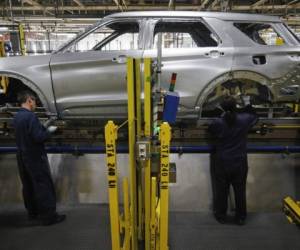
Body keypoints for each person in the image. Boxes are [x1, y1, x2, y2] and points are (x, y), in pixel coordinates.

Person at [13, 90, 66, 226]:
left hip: (22, 156)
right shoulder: (31, 117)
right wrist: (50, 131)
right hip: (35, 156)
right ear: (29, 100)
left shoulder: (17, 117)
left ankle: (33, 213)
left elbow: (28, 133)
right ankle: (49, 217)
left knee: (28, 185)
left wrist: (43, 127)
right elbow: (38, 137)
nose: (36, 103)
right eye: (34, 100)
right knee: (43, 185)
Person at [209, 95, 257, 225]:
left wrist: (220, 114)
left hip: (222, 162)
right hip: (239, 162)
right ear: (236, 107)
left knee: (222, 191)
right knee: (240, 191)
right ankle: (240, 217)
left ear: (222, 107)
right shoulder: (244, 120)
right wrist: (247, 103)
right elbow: (254, 116)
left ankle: (221, 216)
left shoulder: (218, 122)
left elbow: (211, 129)